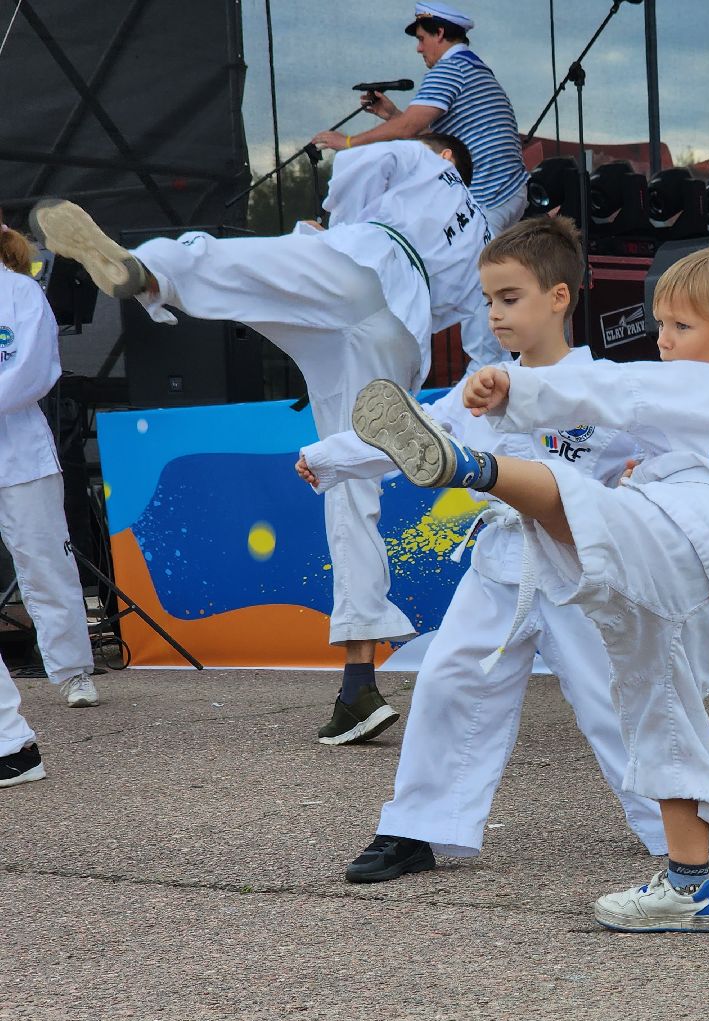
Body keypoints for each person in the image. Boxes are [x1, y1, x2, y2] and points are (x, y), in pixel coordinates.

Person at [305, 219, 709, 883]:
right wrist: (328, 458)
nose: (495, 313)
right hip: (501, 562)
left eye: (509, 298)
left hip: (586, 564)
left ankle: (672, 823)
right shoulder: (479, 387)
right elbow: (417, 432)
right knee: (451, 678)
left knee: (617, 695)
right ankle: (417, 828)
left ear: (558, 298)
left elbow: (704, 430)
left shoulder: (608, 382)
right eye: (488, 300)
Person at [29, 135, 485, 744]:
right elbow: (482, 330)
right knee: (349, 484)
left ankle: (153, 271)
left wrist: (334, 221)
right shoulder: (482, 234)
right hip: (401, 327)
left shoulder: (427, 161)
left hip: (362, 263)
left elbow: (360, 162)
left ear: (447, 156)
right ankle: (358, 684)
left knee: (241, 268)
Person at [312, 3, 529, 369]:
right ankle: (489, 368)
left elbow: (412, 131)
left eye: (422, 38)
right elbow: (433, 136)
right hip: (505, 189)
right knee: (478, 277)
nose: (418, 48)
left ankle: (485, 374)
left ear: (440, 33)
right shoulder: (472, 68)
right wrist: (392, 116)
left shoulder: (451, 67)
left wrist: (347, 143)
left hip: (488, 192)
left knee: (478, 281)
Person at [0, 211, 97, 711]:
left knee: (44, 563)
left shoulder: (21, 293)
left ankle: (74, 670)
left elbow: (33, 370)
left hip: (18, 455)